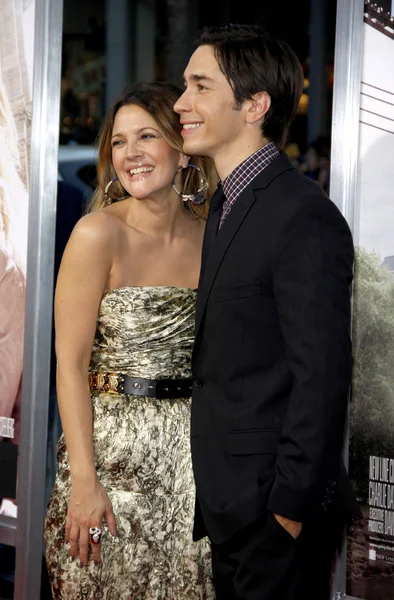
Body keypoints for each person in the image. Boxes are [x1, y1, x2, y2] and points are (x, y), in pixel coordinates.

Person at [174, 24, 361, 600]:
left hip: (273, 514)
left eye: (200, 87)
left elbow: (322, 374)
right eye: (185, 86)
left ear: (254, 105)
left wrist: (288, 508)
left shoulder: (301, 214)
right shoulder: (227, 204)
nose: (180, 104)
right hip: (231, 506)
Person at [44, 82, 216, 599]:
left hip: (193, 465)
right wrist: (83, 480)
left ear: (181, 146)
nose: (131, 153)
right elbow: (69, 364)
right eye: (119, 142)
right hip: (109, 461)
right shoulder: (98, 234)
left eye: (146, 136)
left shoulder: (215, 235)